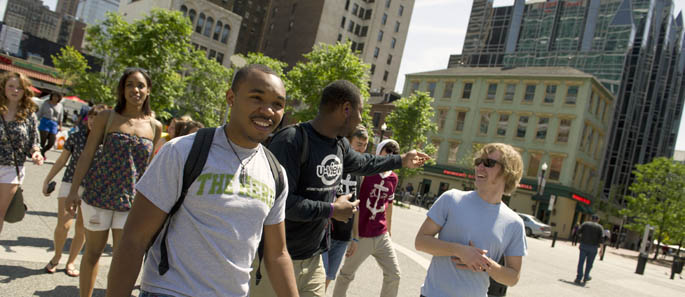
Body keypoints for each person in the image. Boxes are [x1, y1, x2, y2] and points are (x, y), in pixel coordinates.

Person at [105, 64, 298, 297]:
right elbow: (134, 239)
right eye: (257, 98)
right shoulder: (182, 152)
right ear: (231, 97)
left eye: (277, 104)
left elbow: (277, 254)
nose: (268, 111)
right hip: (170, 291)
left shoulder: (276, 172)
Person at [252, 79, 429, 297]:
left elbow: (365, 163)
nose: (362, 118)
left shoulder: (340, 144)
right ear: (346, 109)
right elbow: (282, 204)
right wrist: (333, 210)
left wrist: (401, 160)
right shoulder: (291, 141)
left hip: (315, 259)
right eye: (360, 111)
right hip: (277, 259)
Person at [65, 68, 162, 297]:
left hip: (130, 203)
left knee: (122, 259)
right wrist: (73, 192)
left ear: (148, 90)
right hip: (97, 196)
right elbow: (87, 154)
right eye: (129, 84)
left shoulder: (155, 127)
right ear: (122, 89)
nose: (135, 90)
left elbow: (147, 168)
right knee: (93, 253)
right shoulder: (106, 117)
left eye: (140, 85)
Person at [415, 143, 527, 297]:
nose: (480, 167)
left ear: (507, 173)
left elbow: (513, 277)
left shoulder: (514, 223)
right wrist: (459, 250)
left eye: (488, 163)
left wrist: (485, 264)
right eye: (478, 162)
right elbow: (420, 241)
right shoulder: (451, 198)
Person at [41, 104, 108, 277]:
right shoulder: (76, 137)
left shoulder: (108, 142)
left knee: (81, 228)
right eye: (91, 117)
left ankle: (71, 261)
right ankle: (56, 256)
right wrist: (48, 179)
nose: (93, 121)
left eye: (98, 118)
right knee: (64, 224)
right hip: (70, 183)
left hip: (92, 189)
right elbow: (62, 160)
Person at [333, 139, 402, 297]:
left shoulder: (394, 178)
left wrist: (389, 230)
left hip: (381, 233)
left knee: (394, 274)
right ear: (379, 152)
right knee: (346, 275)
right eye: (387, 151)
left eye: (394, 153)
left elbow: (389, 204)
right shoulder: (366, 172)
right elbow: (356, 201)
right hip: (362, 234)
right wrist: (354, 236)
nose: (390, 155)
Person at [322, 125, 369, 289]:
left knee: (328, 277)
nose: (362, 148)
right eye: (358, 144)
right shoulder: (335, 162)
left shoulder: (359, 172)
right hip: (325, 232)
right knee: (314, 277)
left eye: (365, 145)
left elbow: (356, 206)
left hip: (343, 236)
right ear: (349, 143)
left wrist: (355, 237)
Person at [0, 72, 44, 234]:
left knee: (0, 213)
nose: (15, 90)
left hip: (11, 169)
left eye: (19, 88)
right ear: (4, 87)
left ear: (25, 91)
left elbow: (34, 141)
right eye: (11, 86)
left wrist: (36, 153)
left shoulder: (28, 115)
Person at [574, 214, 604, 285]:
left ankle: (579, 278)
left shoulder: (585, 224)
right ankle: (586, 276)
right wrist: (601, 250)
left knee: (581, 262)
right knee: (589, 264)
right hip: (593, 248)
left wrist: (583, 237)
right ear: (598, 220)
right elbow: (601, 239)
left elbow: (578, 232)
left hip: (584, 246)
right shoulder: (600, 227)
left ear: (591, 218)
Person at [37, 92, 65, 158]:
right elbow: (40, 112)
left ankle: (42, 151)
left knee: (51, 142)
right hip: (45, 122)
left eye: (57, 97)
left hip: (54, 124)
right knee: (42, 140)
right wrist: (36, 120)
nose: (55, 98)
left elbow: (61, 117)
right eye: (54, 96)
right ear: (51, 96)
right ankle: (39, 154)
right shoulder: (46, 103)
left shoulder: (60, 106)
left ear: (59, 98)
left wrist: (60, 126)